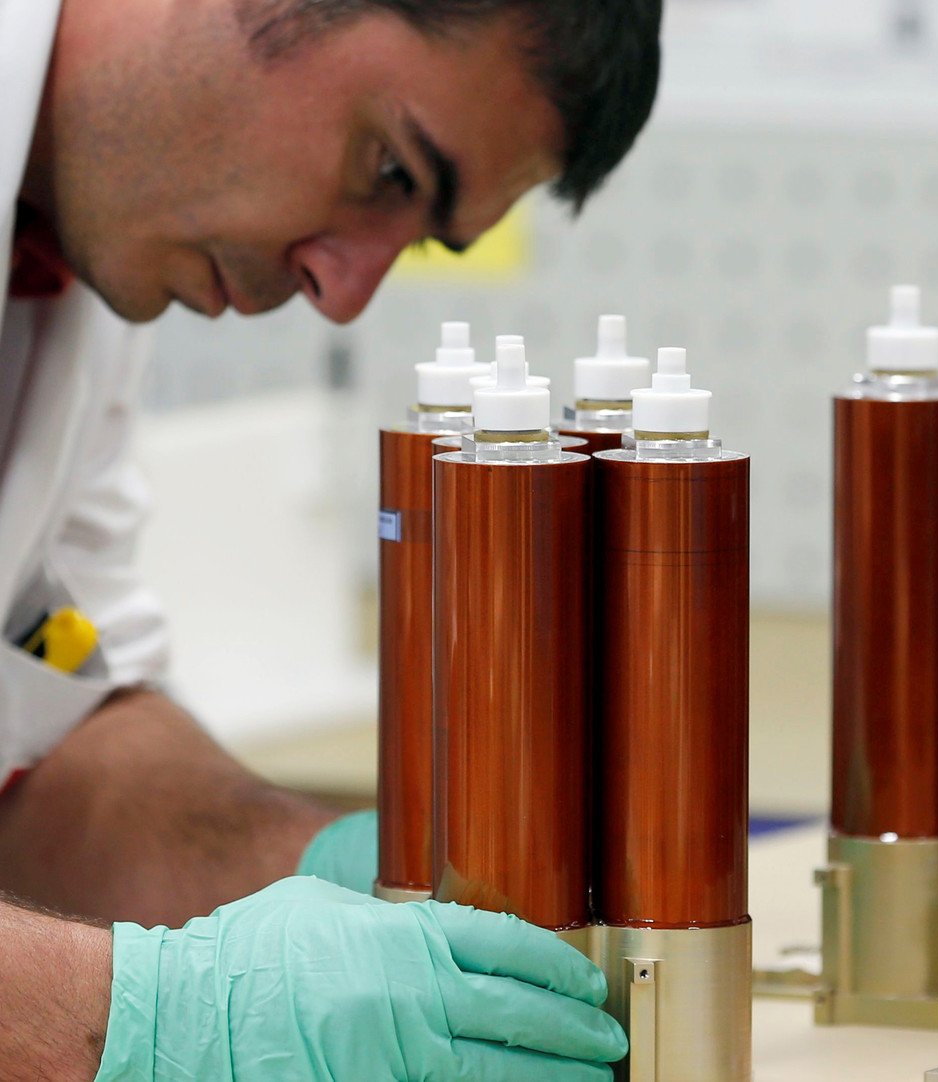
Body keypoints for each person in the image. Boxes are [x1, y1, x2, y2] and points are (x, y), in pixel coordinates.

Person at [0, 1, 660, 1077]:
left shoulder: (87, 257)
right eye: (390, 168)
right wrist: (150, 1014)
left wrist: (326, 869)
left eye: (420, 238)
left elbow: (53, 710)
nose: (344, 294)